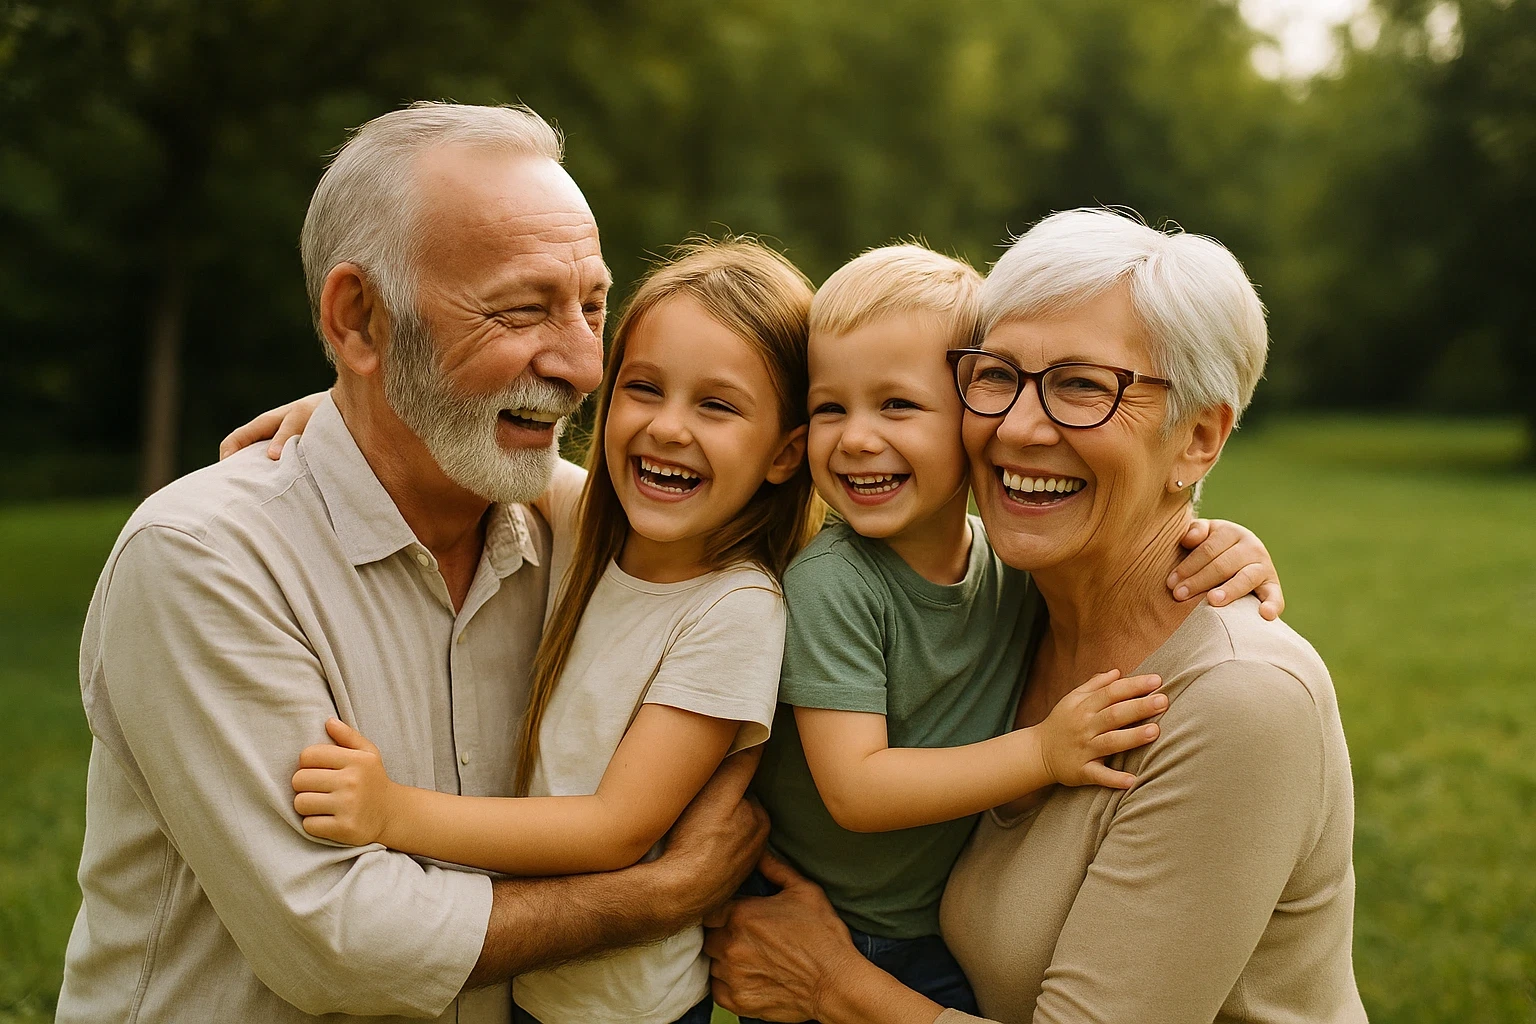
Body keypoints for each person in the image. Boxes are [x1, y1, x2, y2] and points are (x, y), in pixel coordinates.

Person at [57, 102, 767, 1024]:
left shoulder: (578, 534)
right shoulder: (202, 559)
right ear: (360, 319)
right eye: (521, 310)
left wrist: (366, 404)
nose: (584, 367)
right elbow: (343, 947)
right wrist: (661, 895)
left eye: (592, 306)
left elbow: (776, 521)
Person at [705, 210, 1365, 1024]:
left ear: (1200, 438)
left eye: (1084, 386)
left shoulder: (1240, 705)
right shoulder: (1021, 603)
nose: (1018, 426)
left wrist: (832, 986)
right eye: (996, 376)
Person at [287, 239, 821, 1024]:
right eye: (644, 388)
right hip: (542, 982)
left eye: (717, 405)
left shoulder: (734, 609)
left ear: (784, 454)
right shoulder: (595, 529)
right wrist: (337, 416)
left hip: (626, 1008)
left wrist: (392, 814)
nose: (668, 427)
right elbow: (421, 433)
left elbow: (614, 828)